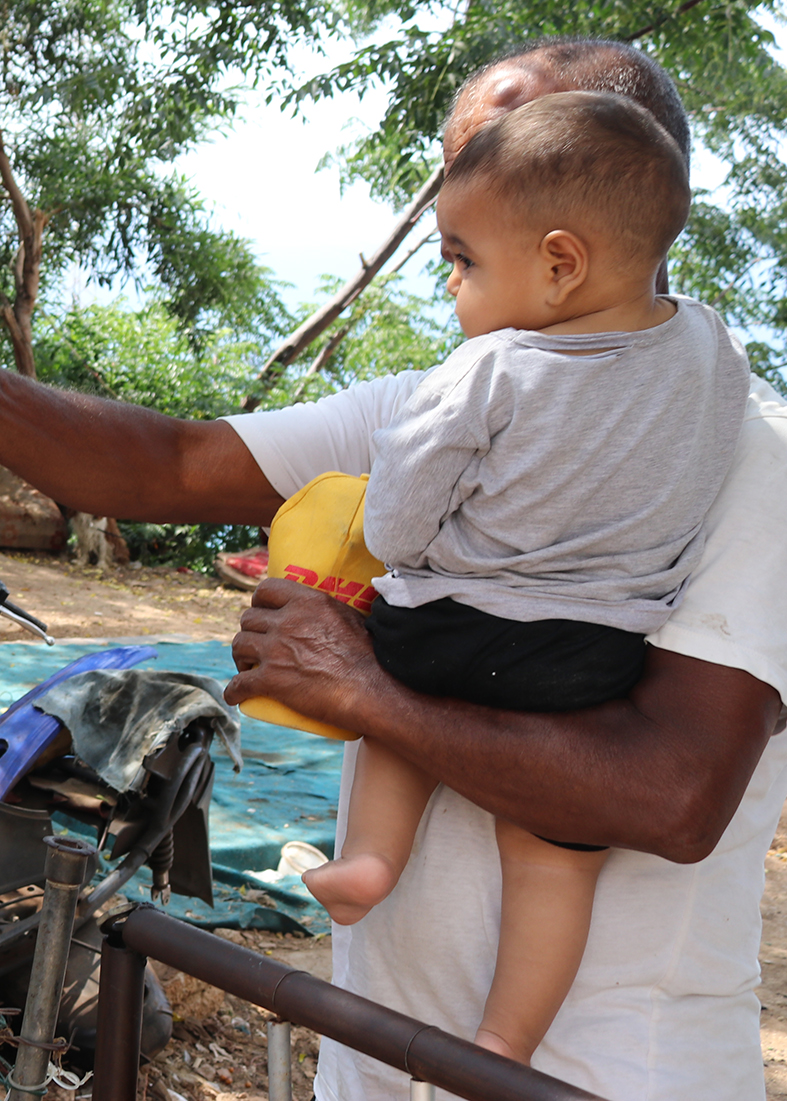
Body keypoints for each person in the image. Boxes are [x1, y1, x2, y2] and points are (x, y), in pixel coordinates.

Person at [0, 38, 787, 1099]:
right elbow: (177, 463)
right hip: (383, 1052)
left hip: (605, 1077)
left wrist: (364, 685)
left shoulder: (752, 452)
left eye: (492, 180)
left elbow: (672, 792)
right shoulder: (465, 389)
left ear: (579, 230)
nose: (450, 255)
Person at [300, 90, 748, 1066]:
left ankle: (370, 860)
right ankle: (503, 1045)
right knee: (553, 864)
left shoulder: (489, 366)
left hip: (449, 619)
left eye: (461, 260)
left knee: (398, 717)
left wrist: (397, 546)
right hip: (591, 655)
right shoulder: (711, 351)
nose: (451, 285)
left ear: (558, 264)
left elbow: (397, 522)